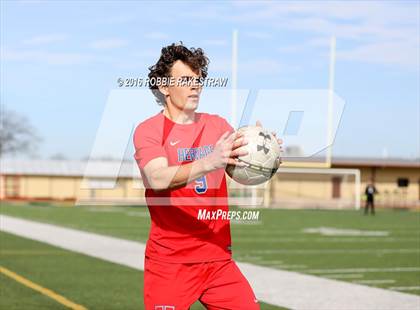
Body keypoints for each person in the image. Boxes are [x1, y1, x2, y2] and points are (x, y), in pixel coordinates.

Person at [133, 42, 282, 309]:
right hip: (170, 263)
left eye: (198, 79)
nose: (195, 85)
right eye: (186, 79)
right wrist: (209, 161)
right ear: (165, 87)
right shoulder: (149, 130)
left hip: (217, 260)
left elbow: (241, 168)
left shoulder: (218, 125)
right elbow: (156, 178)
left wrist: (264, 153)